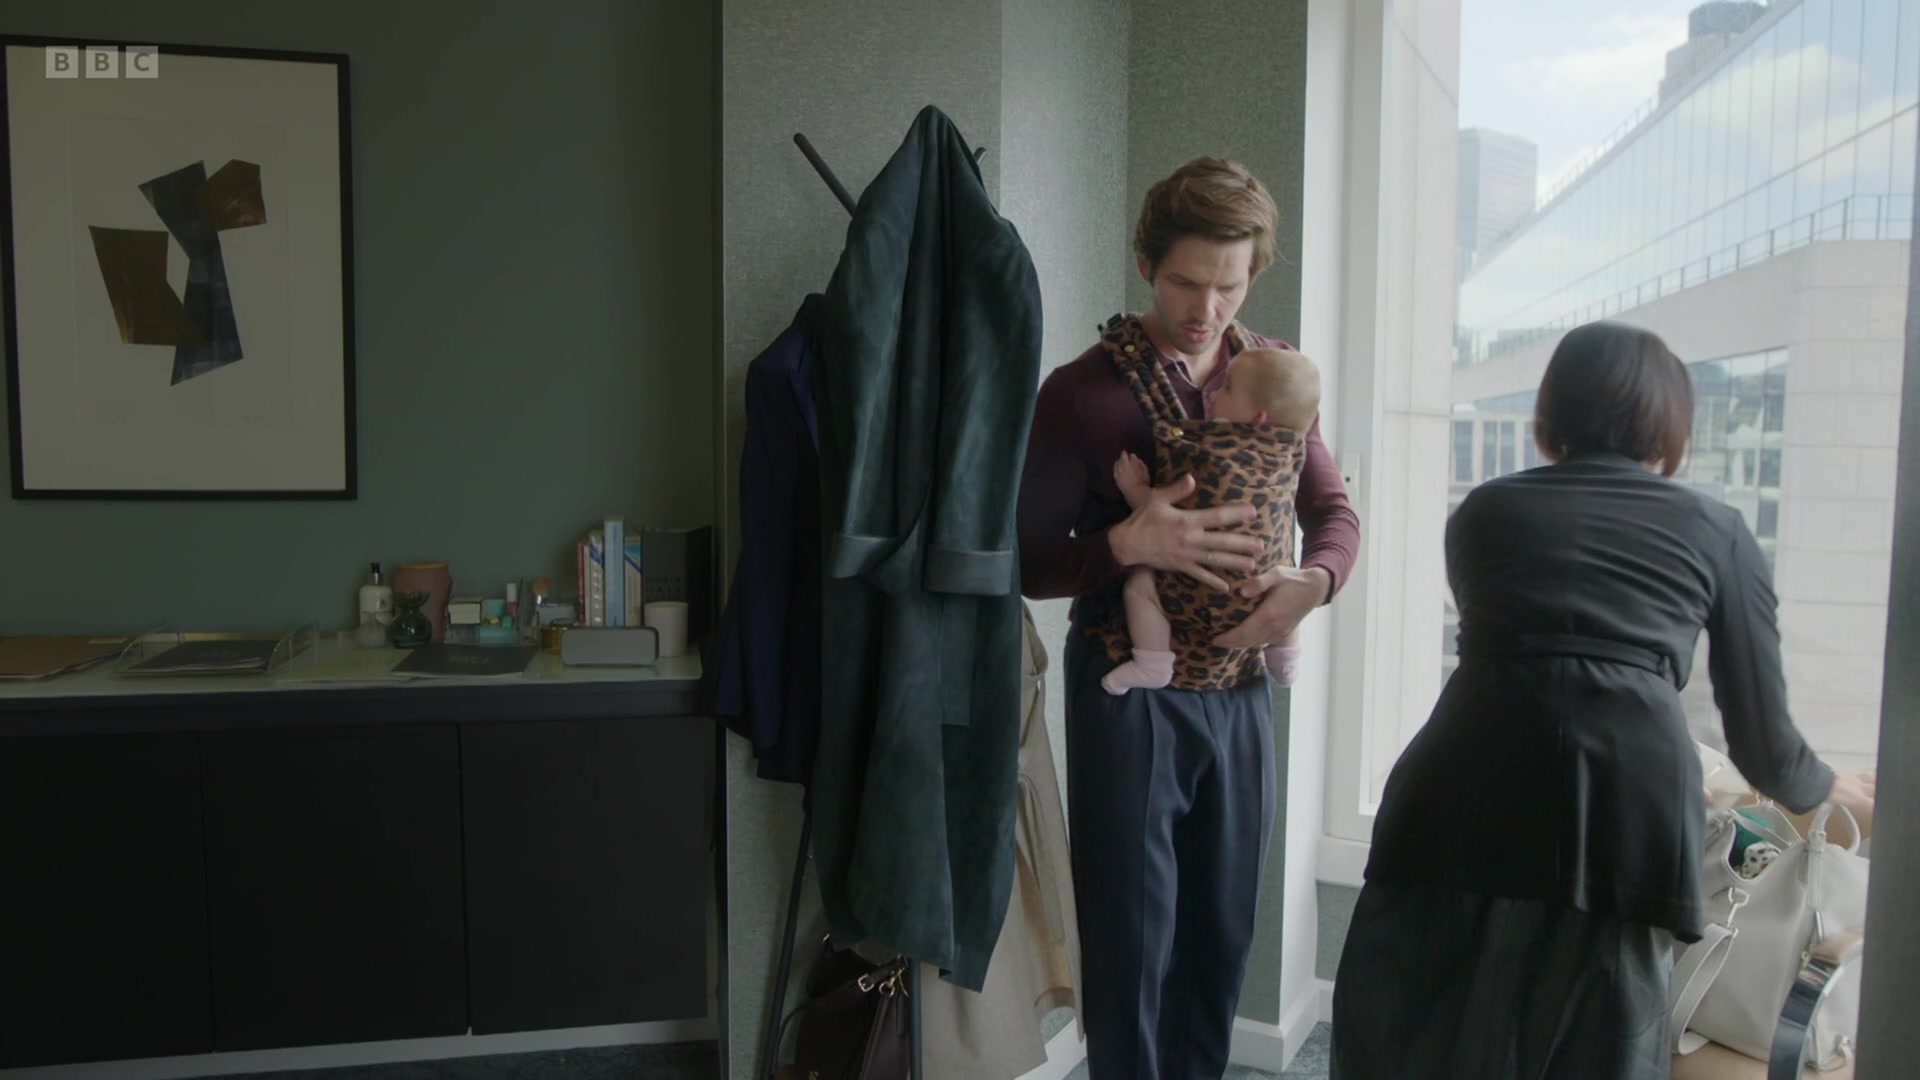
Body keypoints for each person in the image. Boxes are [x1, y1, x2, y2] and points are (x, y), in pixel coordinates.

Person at [1329, 321, 1877, 1079]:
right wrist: (1823, 786)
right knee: (1599, 1041)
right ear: (1670, 422)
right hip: (1627, 804)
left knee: (1422, 1030)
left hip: (1464, 782)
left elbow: (1528, 652)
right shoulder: (1717, 530)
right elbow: (1762, 740)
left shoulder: (1485, 511)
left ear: (1551, 410)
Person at [1017, 157, 1360, 1078]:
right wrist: (1126, 543)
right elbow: (1024, 559)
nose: (1206, 309)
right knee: (1132, 933)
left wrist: (1316, 584)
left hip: (1241, 687)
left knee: (1222, 923)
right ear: (1144, 264)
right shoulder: (1080, 394)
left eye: (1229, 285)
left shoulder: (1277, 377)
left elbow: (1334, 515)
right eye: (1183, 282)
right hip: (1128, 687)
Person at [1103, 346, 1323, 695]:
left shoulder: (1210, 453)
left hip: (1204, 595)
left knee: (1139, 583)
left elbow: (1173, 519)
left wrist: (1136, 491)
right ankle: (1285, 655)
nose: (1214, 394)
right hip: (1263, 599)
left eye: (1227, 389)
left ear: (1258, 419)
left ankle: (1152, 663)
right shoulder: (1290, 455)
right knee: (1286, 567)